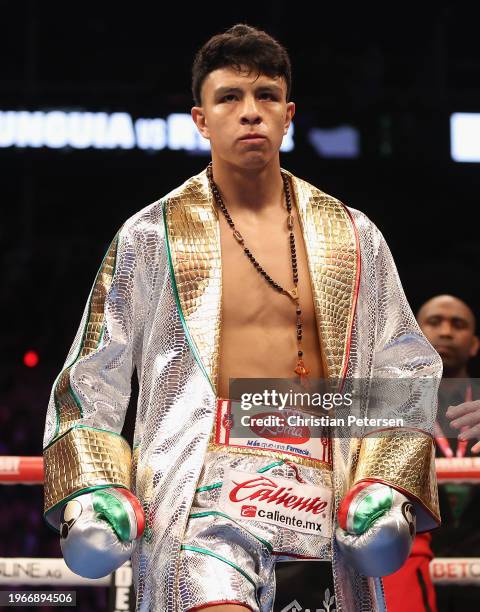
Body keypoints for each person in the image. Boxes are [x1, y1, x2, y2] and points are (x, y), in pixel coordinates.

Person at [42, 25, 442, 612]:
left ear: (289, 113)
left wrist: (387, 479)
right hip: (199, 489)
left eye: (267, 96)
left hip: (323, 483)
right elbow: (91, 373)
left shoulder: (353, 236)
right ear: (201, 118)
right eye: (229, 97)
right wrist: (94, 485)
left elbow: (405, 367)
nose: (250, 112)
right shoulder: (151, 235)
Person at [384, 294, 480, 612]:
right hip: (413, 559)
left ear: (474, 344)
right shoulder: (388, 405)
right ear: (414, 335)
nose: (446, 331)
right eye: (435, 322)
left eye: (458, 324)